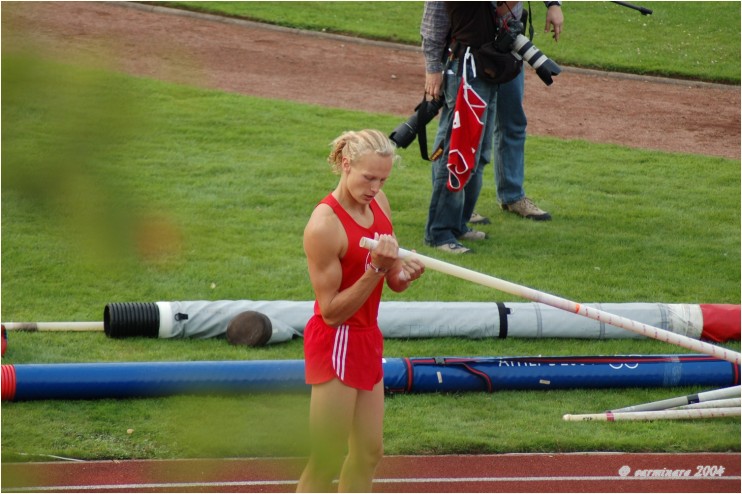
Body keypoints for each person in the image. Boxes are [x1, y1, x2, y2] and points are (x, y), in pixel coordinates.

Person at [297, 129, 425, 492]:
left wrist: (403, 272)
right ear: (346, 164)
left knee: (370, 452)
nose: (375, 187)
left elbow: (393, 279)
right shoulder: (324, 225)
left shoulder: (379, 203)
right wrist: (379, 269)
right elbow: (332, 312)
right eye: (369, 177)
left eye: (382, 179)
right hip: (336, 338)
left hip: (368, 335)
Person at [422, 1, 564, 254]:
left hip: (487, 65)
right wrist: (433, 68)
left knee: (478, 154)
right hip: (467, 67)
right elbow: (434, 22)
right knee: (458, 154)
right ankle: (439, 232)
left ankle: (457, 224)